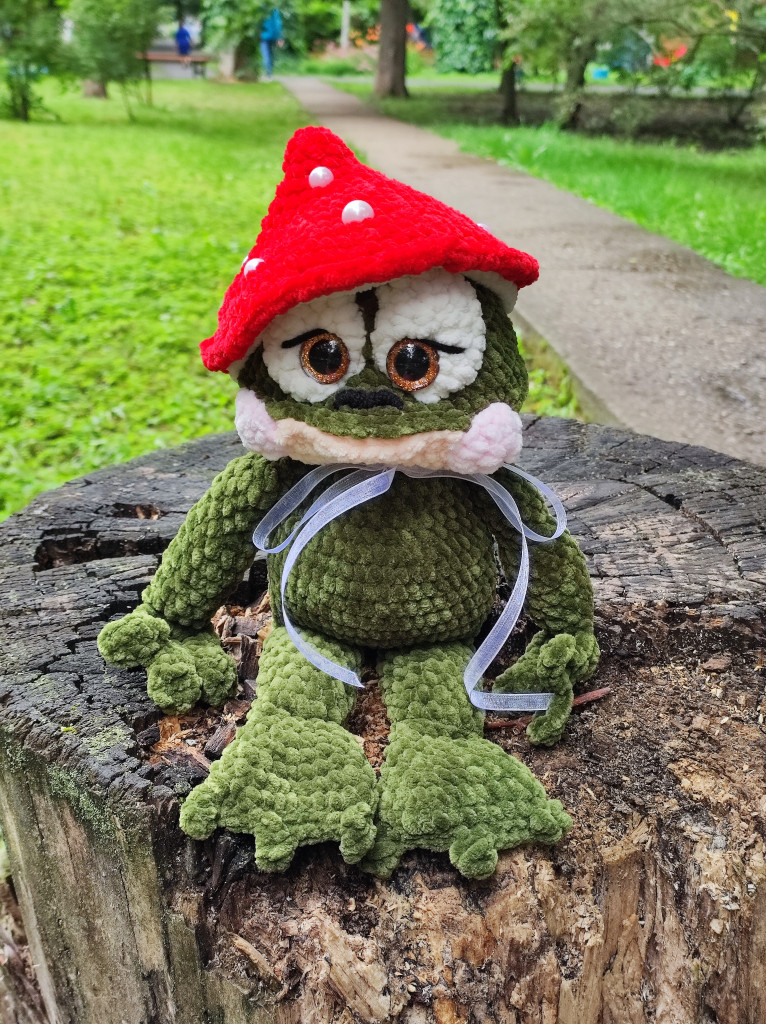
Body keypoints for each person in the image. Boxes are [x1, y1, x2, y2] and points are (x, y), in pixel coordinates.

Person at [260, 8, 283, 81]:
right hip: (273, 37)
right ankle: (269, 73)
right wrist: (279, 37)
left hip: (264, 37)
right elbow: (278, 25)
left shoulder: (262, 10)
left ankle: (267, 72)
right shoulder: (275, 11)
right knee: (271, 55)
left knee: (266, 55)